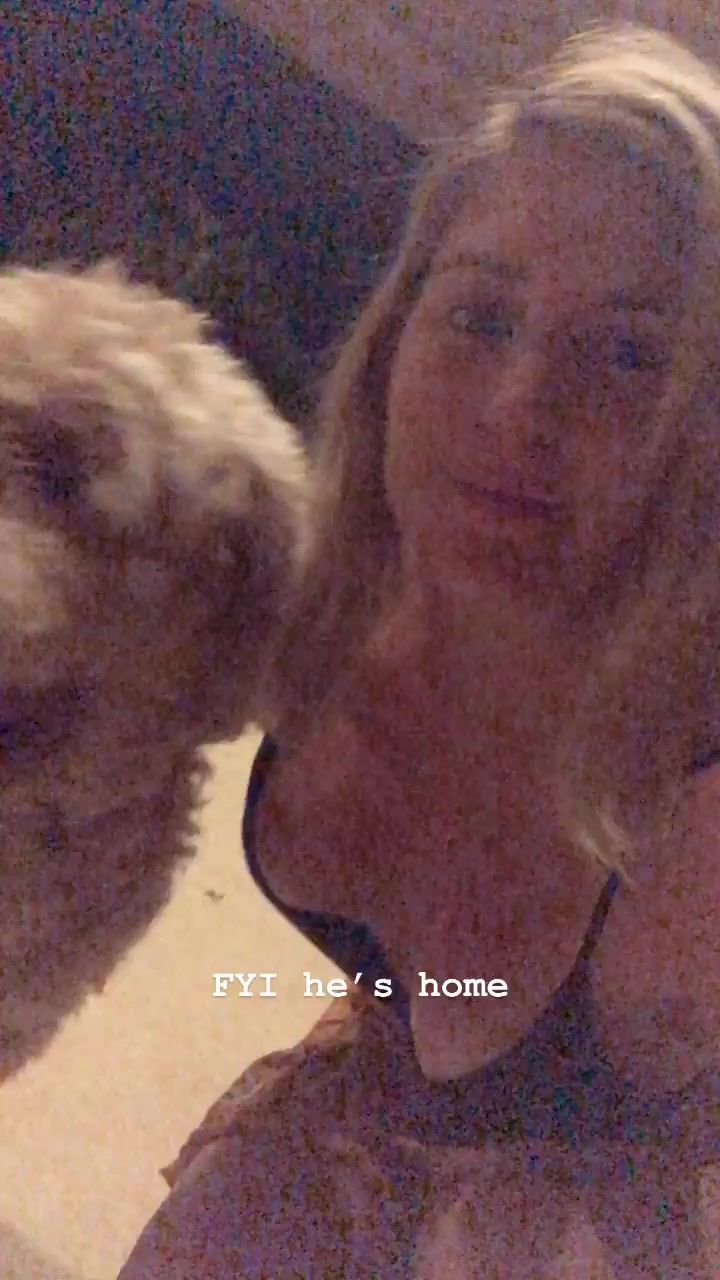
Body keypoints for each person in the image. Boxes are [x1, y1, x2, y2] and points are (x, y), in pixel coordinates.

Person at [119, 22, 720, 1277]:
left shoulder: (688, 821)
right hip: (376, 1088)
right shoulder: (318, 581)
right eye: (483, 316)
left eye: (628, 353)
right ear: (396, 335)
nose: (521, 408)